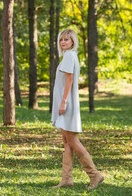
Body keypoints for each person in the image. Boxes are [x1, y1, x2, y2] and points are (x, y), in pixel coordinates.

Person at [51, 29, 104, 189]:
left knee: (72, 140)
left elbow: (69, 80)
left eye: (66, 39)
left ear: (73, 41)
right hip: (65, 103)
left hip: (66, 104)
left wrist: (63, 102)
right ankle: (67, 179)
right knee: (66, 141)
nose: (63, 42)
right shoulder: (69, 56)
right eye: (61, 39)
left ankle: (95, 175)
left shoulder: (69, 56)